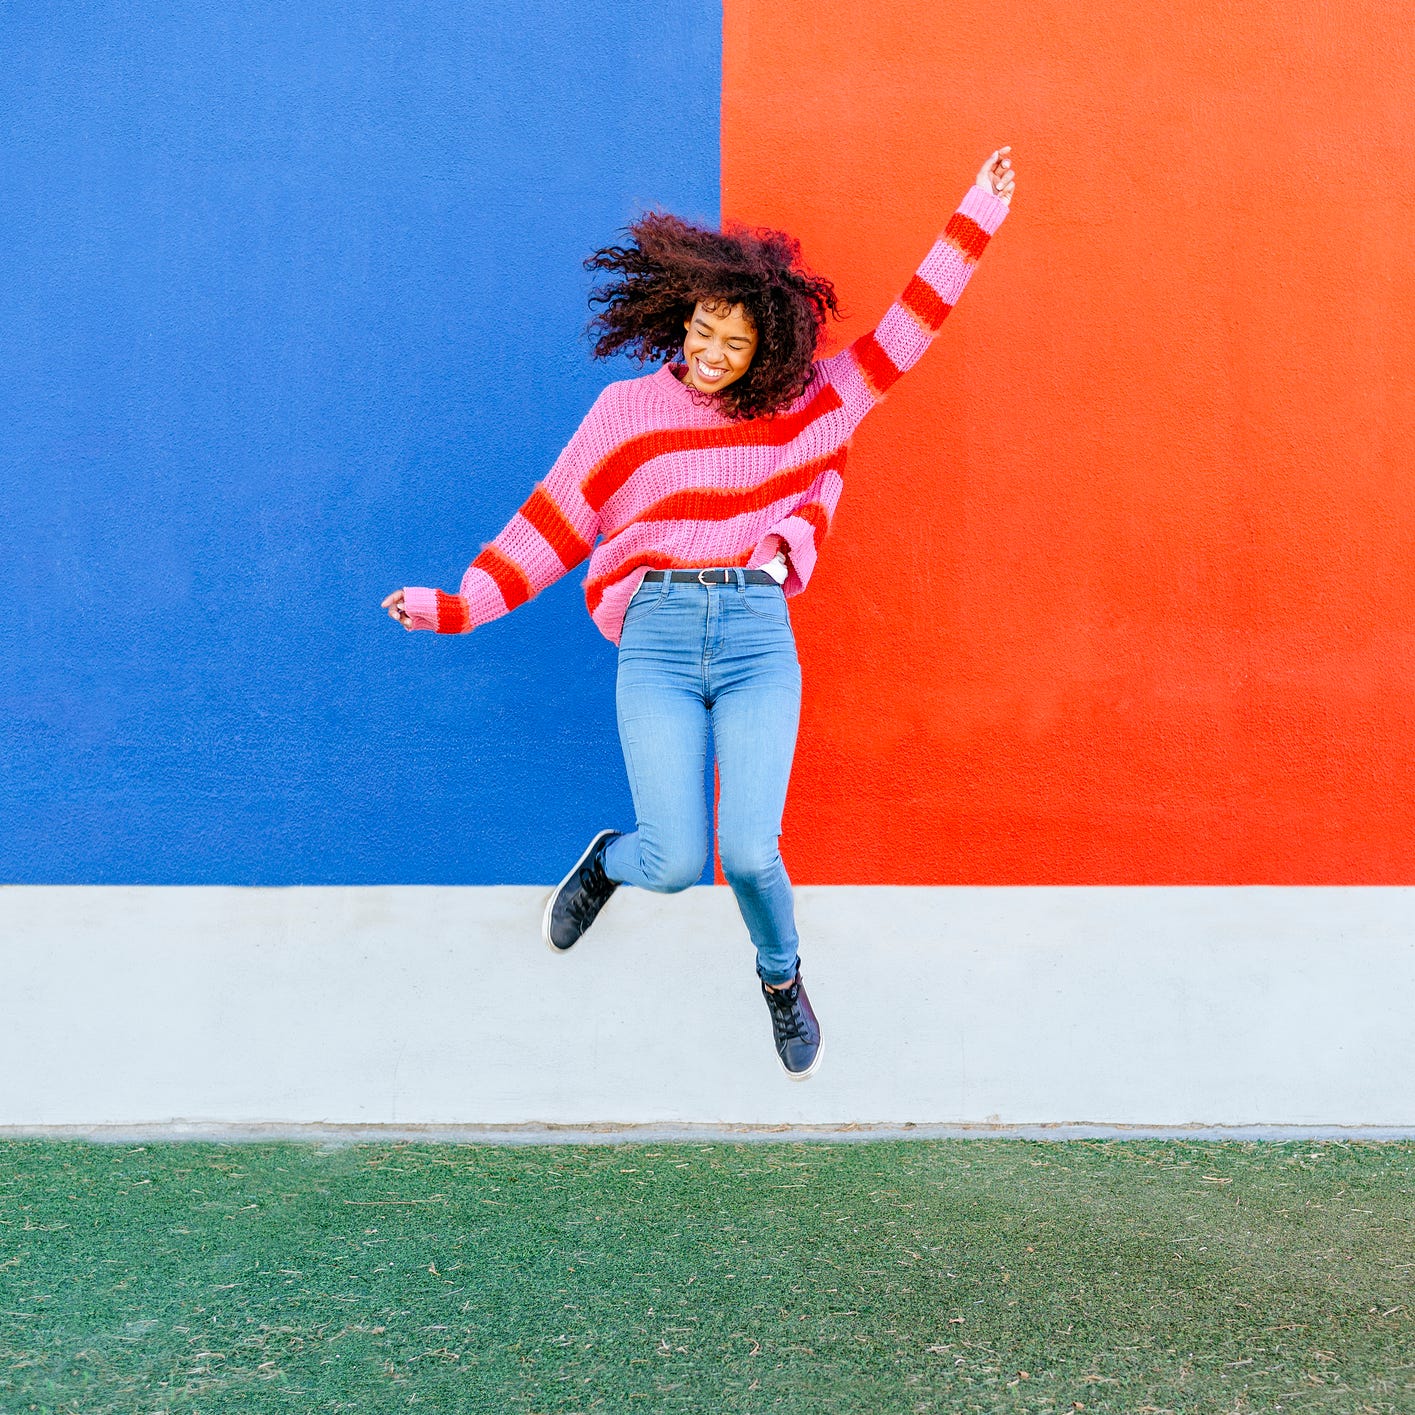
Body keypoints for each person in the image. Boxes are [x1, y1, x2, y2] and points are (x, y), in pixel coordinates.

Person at [384, 147, 1017, 1081]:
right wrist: (459, 606)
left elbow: (905, 330)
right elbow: (553, 523)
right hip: (659, 642)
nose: (711, 356)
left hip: (757, 637)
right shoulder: (625, 410)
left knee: (751, 855)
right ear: (680, 314)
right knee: (678, 862)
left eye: (735, 343)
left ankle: (779, 977)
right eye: (701, 331)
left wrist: (976, 216)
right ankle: (610, 861)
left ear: (769, 350)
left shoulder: (812, 405)